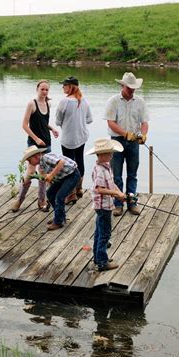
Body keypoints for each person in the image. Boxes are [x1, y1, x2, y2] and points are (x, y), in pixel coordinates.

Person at [104, 72, 149, 216]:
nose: (131, 90)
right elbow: (110, 122)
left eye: (133, 88)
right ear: (122, 86)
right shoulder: (113, 101)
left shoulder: (140, 102)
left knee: (132, 174)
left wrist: (143, 134)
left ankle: (132, 202)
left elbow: (144, 122)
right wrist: (125, 134)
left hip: (134, 142)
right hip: (116, 141)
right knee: (116, 175)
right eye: (129, 87)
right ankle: (118, 204)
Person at [11, 80, 59, 212]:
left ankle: (41, 200)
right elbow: (24, 125)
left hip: (46, 143)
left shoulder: (48, 103)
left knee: (43, 173)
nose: (44, 92)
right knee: (30, 173)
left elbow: (43, 123)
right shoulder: (32, 104)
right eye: (42, 89)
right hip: (34, 144)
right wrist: (36, 139)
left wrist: (52, 129)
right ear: (37, 89)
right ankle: (19, 200)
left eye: (46, 90)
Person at [86, 138, 126, 271]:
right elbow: (99, 189)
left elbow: (111, 183)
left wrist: (120, 193)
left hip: (106, 205)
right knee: (105, 234)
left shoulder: (107, 167)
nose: (112, 155)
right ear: (100, 155)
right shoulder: (99, 170)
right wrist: (115, 194)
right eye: (109, 153)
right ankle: (102, 262)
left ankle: (98, 257)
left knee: (99, 232)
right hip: (102, 206)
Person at [19, 146, 80, 230]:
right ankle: (59, 216)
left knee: (59, 197)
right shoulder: (41, 164)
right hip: (62, 177)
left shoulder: (46, 157)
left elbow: (61, 162)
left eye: (29, 160)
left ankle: (58, 222)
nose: (29, 163)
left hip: (72, 175)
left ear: (36, 156)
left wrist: (51, 175)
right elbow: (49, 174)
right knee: (50, 194)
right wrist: (47, 178)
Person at [55, 76, 93, 204]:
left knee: (68, 165)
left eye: (65, 85)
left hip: (68, 138)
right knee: (80, 161)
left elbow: (58, 121)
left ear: (71, 86)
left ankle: (71, 194)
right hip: (81, 136)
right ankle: (79, 188)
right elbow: (89, 120)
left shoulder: (64, 102)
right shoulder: (84, 101)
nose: (63, 87)